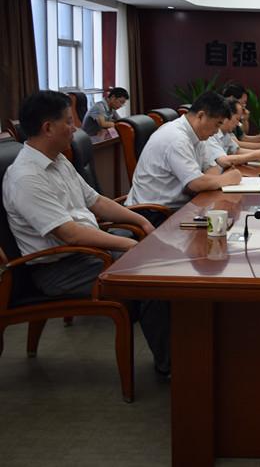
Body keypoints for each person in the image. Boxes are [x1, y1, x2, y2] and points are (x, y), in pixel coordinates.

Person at [3, 90, 170, 377]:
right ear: (48, 128)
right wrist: (130, 246)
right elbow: (70, 235)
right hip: (59, 269)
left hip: (87, 255)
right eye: (69, 121)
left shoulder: (57, 160)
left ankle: (180, 348)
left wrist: (141, 222)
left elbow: (97, 202)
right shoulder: (26, 177)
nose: (76, 127)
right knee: (152, 282)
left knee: (163, 266)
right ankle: (171, 368)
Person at [126, 91, 242, 219]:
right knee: (221, 222)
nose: (216, 132)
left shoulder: (198, 135)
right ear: (201, 116)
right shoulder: (176, 137)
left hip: (179, 207)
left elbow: (212, 167)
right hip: (154, 213)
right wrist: (227, 179)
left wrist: (204, 182)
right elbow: (196, 184)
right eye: (217, 124)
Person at [204, 99, 260, 169]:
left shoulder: (225, 134)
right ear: (227, 116)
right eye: (237, 119)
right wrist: (256, 155)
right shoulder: (211, 134)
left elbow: (236, 151)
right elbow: (224, 161)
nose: (238, 124)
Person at [221, 83, 260, 148]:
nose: (244, 106)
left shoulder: (234, 118)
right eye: (243, 102)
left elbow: (243, 137)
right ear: (231, 98)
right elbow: (238, 144)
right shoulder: (225, 118)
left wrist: (245, 120)